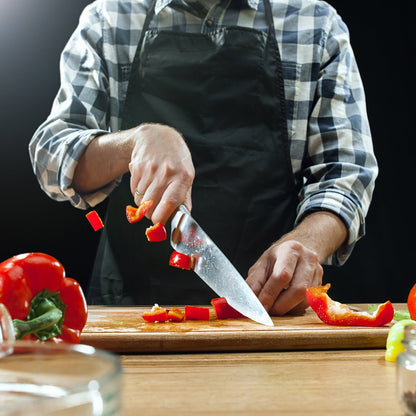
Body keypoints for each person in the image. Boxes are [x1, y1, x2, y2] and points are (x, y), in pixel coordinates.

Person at [29, 0, 377, 315]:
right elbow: (51, 152)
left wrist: (305, 243)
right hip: (129, 312)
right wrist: (136, 141)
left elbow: (346, 173)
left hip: (270, 303)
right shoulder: (110, 18)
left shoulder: (314, 24)